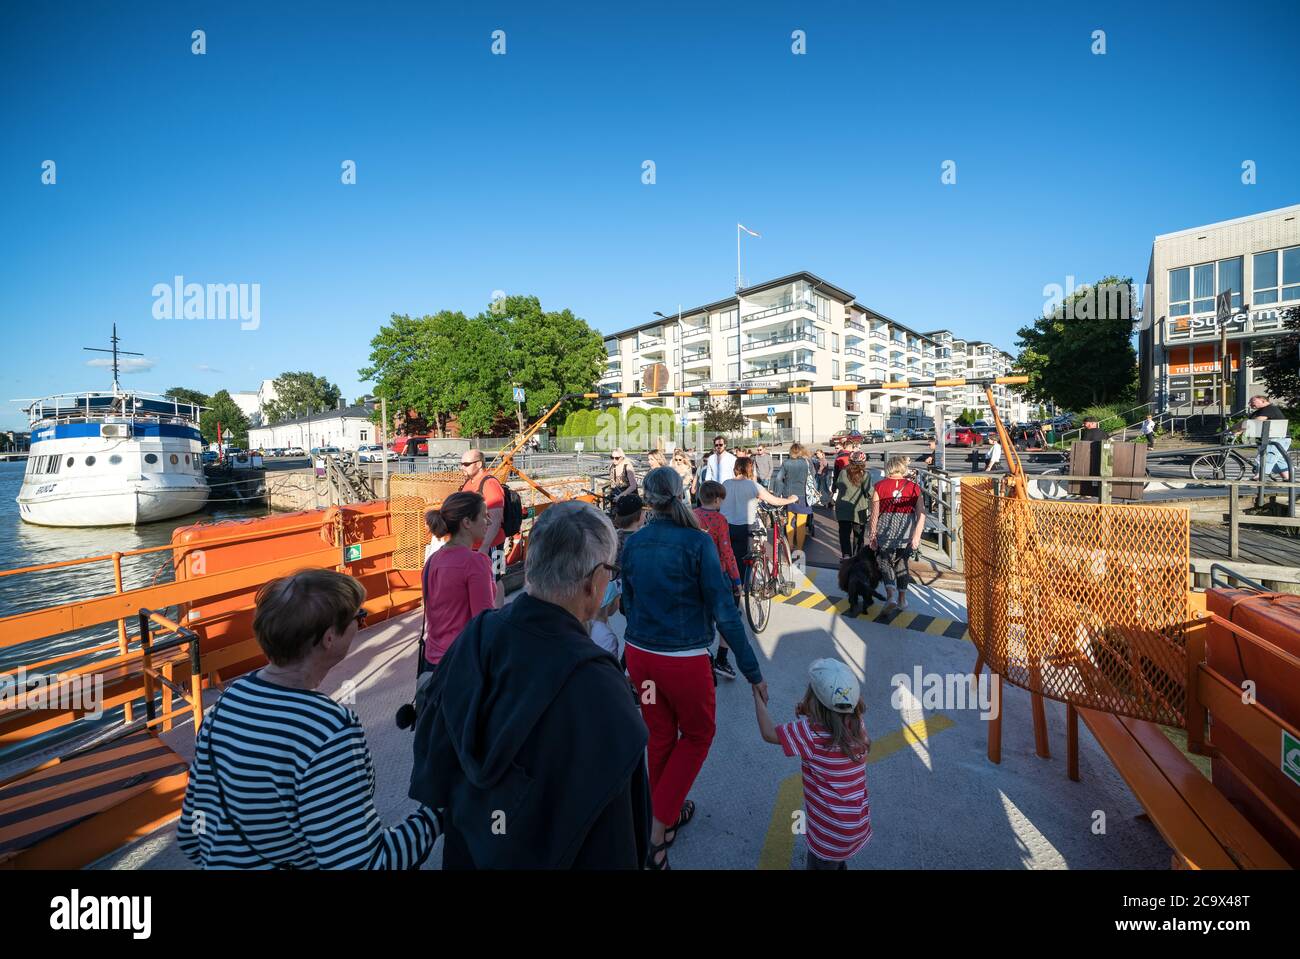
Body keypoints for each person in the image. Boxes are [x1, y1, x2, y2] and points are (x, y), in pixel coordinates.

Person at [409, 501, 651, 869]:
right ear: (594, 581)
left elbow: (434, 755)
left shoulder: (476, 638)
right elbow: (618, 830)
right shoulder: (600, 685)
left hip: (470, 852)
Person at [179, 569, 441, 869]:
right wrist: (433, 817)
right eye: (360, 616)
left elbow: (193, 836)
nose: (361, 622)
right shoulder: (328, 730)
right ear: (330, 638)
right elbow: (363, 865)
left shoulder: (225, 706)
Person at [621, 467, 767, 869]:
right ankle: (657, 831)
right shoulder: (697, 543)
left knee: (660, 735)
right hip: (682, 660)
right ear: (682, 493)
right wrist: (752, 670)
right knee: (699, 734)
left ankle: (665, 816)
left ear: (649, 499)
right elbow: (725, 612)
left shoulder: (634, 543)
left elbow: (627, 603)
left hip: (640, 656)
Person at [751, 658, 872, 870]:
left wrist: (757, 696)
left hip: (828, 833)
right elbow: (837, 711)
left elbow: (769, 733)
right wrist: (811, 710)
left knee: (822, 864)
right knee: (835, 862)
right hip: (855, 823)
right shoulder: (857, 724)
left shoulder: (810, 733)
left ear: (813, 700)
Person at [421, 492, 496, 677]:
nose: (488, 521)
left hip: (432, 661)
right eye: (484, 515)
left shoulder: (432, 561)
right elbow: (483, 622)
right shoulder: (475, 562)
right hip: (462, 663)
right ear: (467, 522)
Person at [694, 480, 742, 680]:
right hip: (718, 574)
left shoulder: (692, 515)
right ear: (716, 500)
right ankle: (722, 659)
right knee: (727, 616)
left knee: (701, 616)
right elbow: (726, 551)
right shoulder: (719, 520)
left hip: (696, 574)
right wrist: (737, 579)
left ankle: (702, 656)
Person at [723, 457, 797, 579]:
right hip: (746, 527)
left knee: (733, 556)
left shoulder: (726, 484)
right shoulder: (753, 485)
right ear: (750, 469)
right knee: (754, 550)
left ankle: (736, 583)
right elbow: (775, 501)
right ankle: (753, 579)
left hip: (728, 527)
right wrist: (791, 499)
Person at [868, 456, 926, 611]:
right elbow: (921, 514)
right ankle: (902, 600)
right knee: (902, 563)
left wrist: (872, 535)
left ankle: (890, 596)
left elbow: (874, 514)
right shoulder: (914, 487)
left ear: (888, 468)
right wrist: (917, 536)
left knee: (885, 561)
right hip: (905, 530)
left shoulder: (879, 486)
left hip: (884, 529)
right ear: (903, 468)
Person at [458, 450, 507, 604]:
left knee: (495, 579)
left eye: (466, 464)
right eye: (461, 464)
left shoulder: (489, 483)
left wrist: (485, 546)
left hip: (491, 545)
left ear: (479, 464)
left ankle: (497, 617)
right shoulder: (469, 483)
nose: (462, 467)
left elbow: (496, 516)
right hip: (472, 545)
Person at [1235, 395, 1292, 481]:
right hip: (1270, 438)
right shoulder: (1259, 411)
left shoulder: (1270, 409)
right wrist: (1229, 430)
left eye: (1252, 402)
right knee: (1279, 460)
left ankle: (1259, 477)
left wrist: (1239, 431)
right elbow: (1245, 422)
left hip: (1279, 439)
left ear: (1263, 401)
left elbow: (1255, 422)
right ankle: (1288, 478)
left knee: (1267, 455)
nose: (1250, 404)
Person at [773, 442, 815, 551]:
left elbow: (778, 479)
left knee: (790, 520)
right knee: (801, 523)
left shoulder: (786, 463)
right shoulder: (806, 463)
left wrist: (777, 494)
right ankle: (799, 548)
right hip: (803, 495)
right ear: (800, 451)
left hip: (789, 495)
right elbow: (813, 477)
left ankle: (790, 545)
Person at [832, 457, 873, 558]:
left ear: (850, 461)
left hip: (843, 507)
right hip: (859, 508)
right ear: (863, 462)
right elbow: (869, 492)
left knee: (844, 534)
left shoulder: (843, 472)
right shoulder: (865, 475)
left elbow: (838, 486)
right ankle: (857, 556)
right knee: (858, 535)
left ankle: (846, 555)